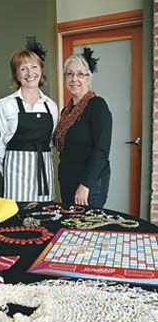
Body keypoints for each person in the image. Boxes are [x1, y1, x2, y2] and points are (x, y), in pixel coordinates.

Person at [0, 38, 58, 202]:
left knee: (45, 217)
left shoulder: (50, 106)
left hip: (43, 170)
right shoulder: (6, 104)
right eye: (23, 69)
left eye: (34, 67)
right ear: (16, 75)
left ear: (41, 71)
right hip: (15, 172)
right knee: (17, 221)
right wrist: (8, 170)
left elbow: (50, 143)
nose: (30, 73)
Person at [54, 47, 112, 207]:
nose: (74, 79)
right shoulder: (66, 111)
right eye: (69, 74)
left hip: (89, 183)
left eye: (80, 74)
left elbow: (101, 150)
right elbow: (65, 150)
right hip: (67, 181)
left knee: (86, 229)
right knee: (69, 227)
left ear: (89, 77)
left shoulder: (97, 106)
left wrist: (85, 185)